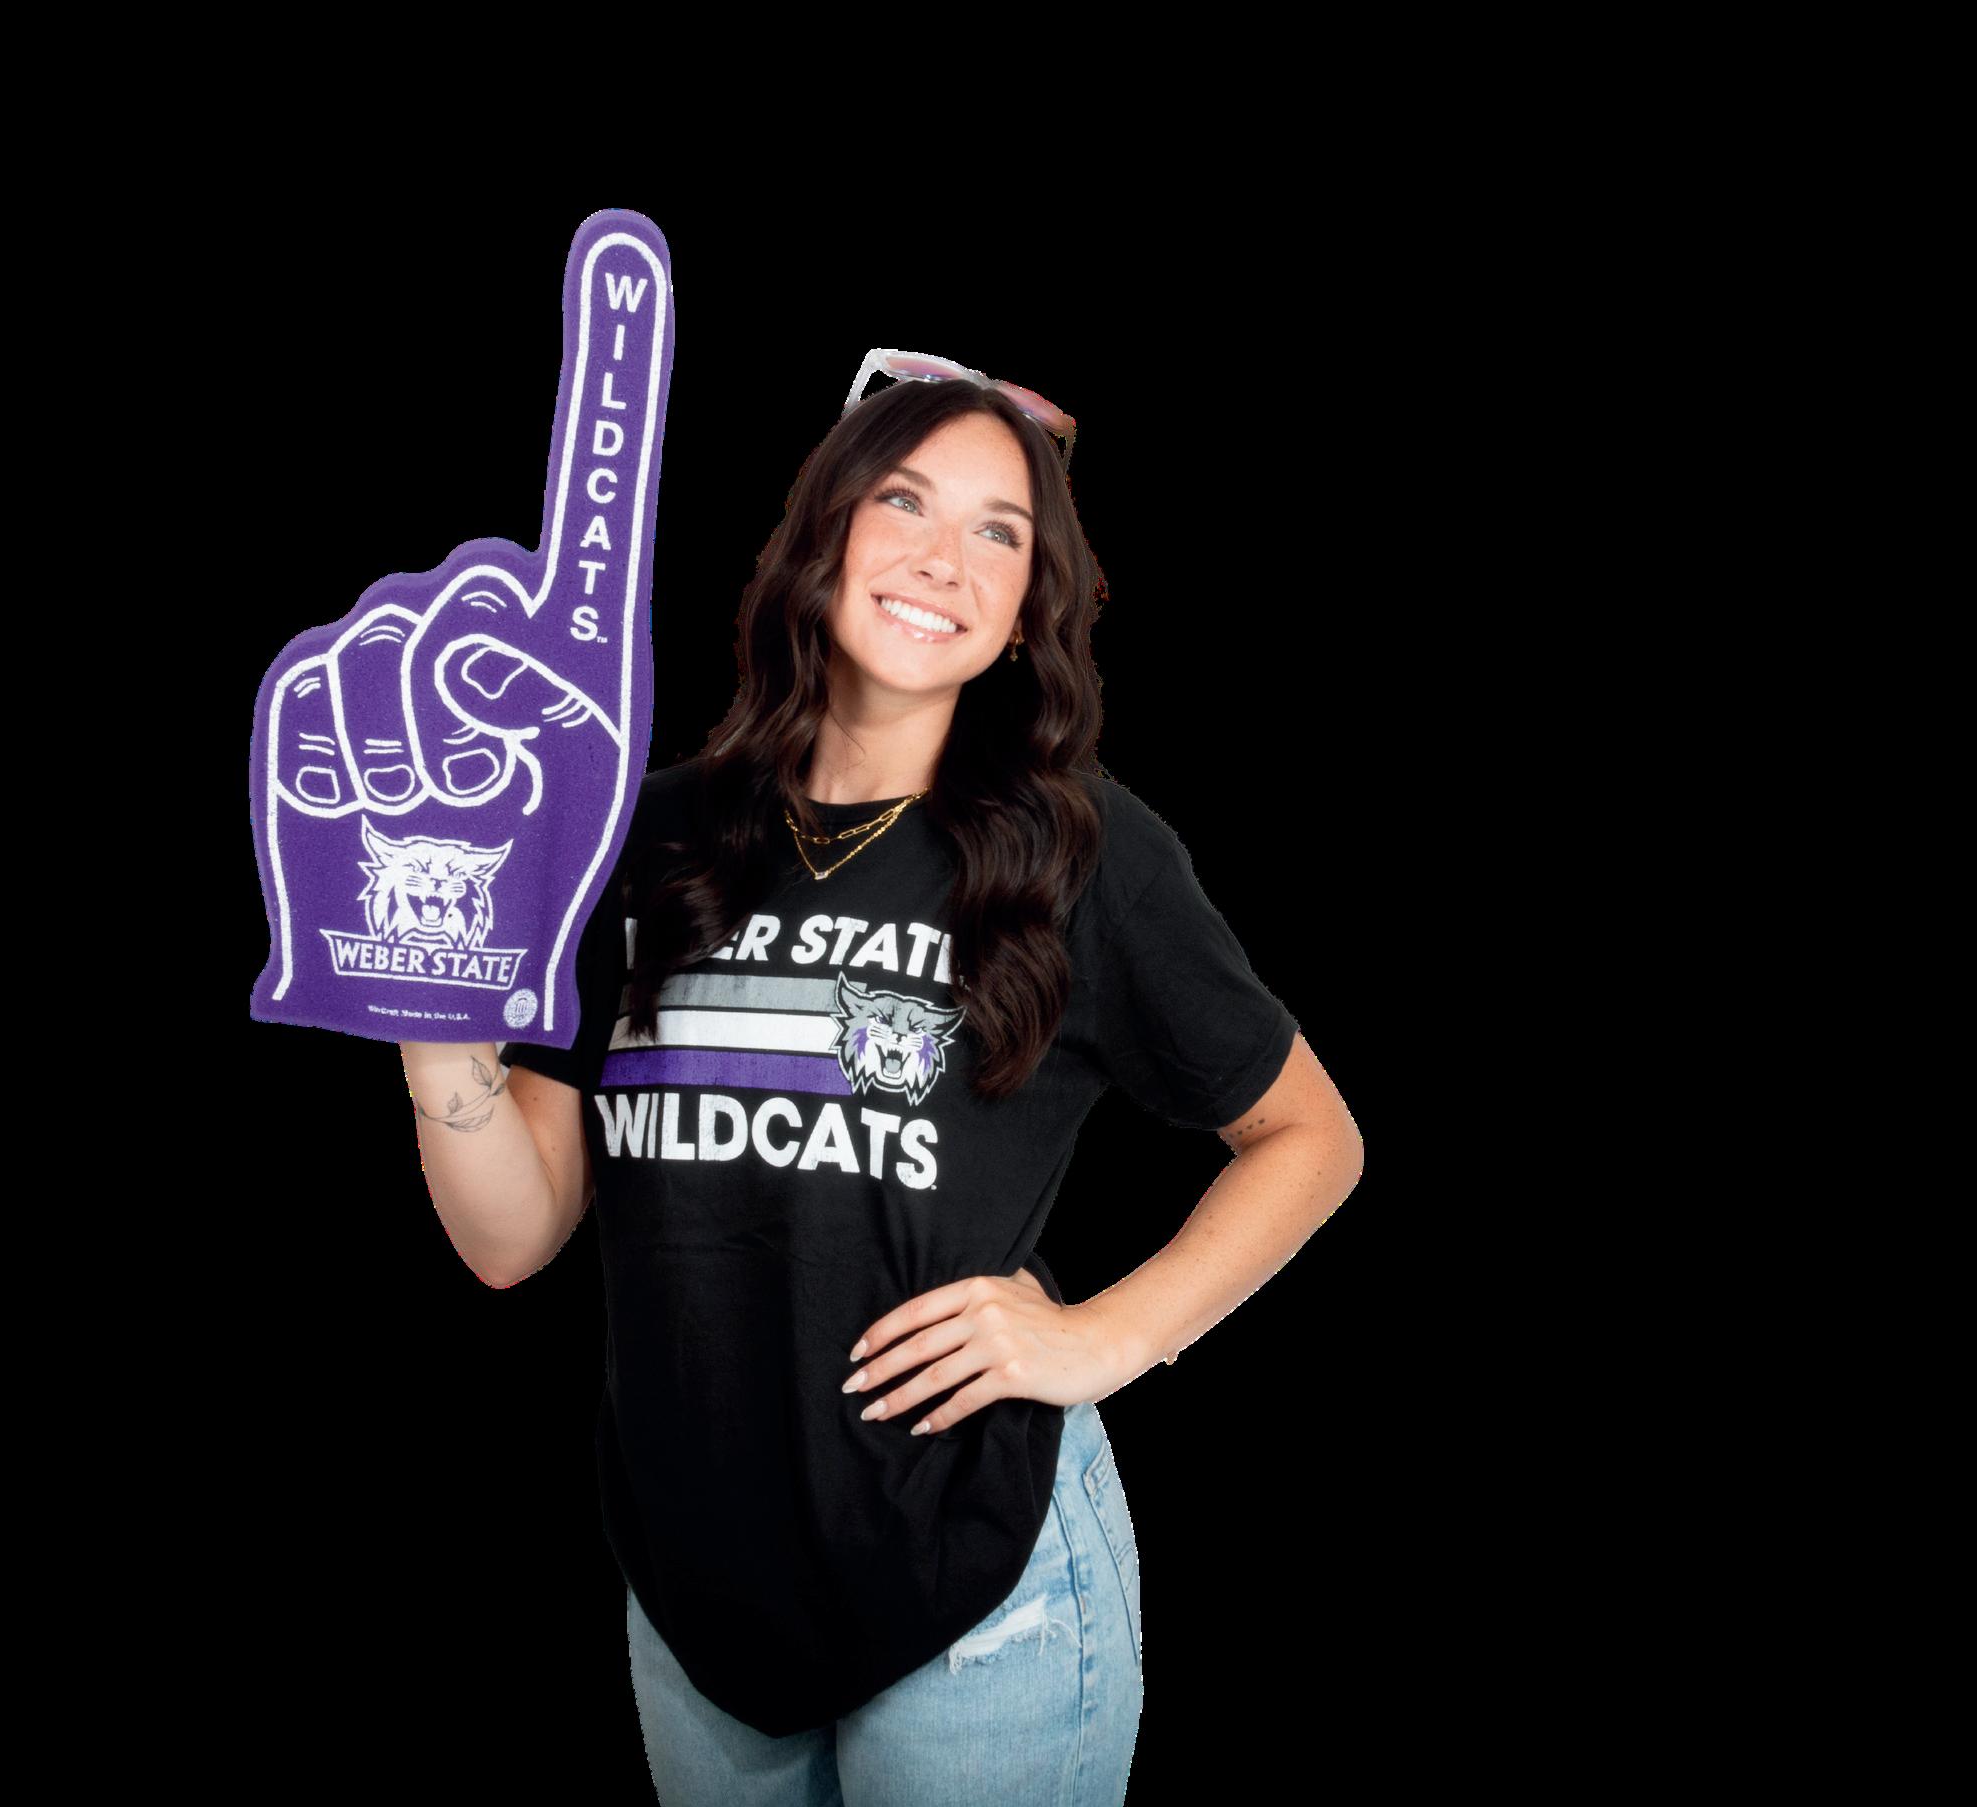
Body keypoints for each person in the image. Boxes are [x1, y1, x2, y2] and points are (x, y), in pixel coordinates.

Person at [398, 350, 1363, 1806]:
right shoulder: (643, 839)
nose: (941, 559)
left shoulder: (1081, 850)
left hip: (978, 1589)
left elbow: (1309, 1135)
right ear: (825, 529)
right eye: (905, 500)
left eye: (998, 531)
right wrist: (431, 1023)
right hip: (695, 1594)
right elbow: (509, 1234)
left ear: (1028, 604)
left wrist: (1104, 1340)